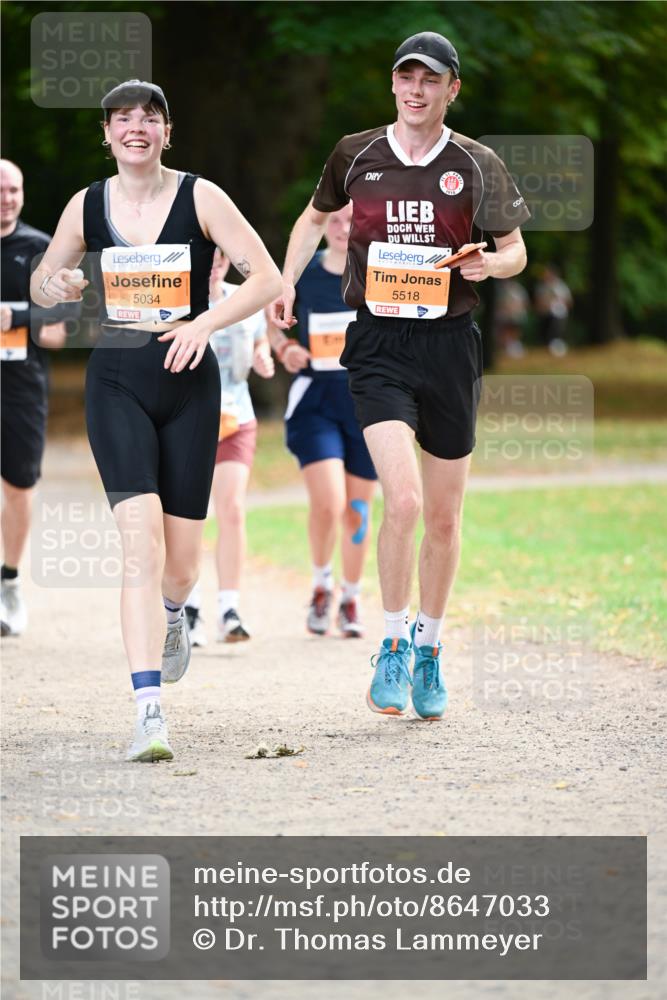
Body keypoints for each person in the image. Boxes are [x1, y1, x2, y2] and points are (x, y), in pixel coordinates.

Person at [270, 33, 530, 720]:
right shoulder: (355, 153)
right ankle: (389, 643)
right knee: (405, 502)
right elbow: (312, 219)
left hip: (450, 347)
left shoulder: (477, 163)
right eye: (406, 77)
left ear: (452, 89)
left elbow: (515, 251)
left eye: (430, 79)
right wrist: (285, 281)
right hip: (379, 343)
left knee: (443, 516)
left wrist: (489, 264)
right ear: (392, 83)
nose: (416, 90)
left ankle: (428, 649)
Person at [31, 80, 281, 762]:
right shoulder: (86, 205)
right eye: (122, 118)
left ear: (167, 132)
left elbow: (268, 279)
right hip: (117, 379)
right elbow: (42, 283)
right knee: (139, 544)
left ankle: (174, 614)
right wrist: (59, 283)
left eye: (149, 117)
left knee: (181, 565)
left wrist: (205, 324)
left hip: (190, 381)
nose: (135, 127)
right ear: (107, 134)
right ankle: (148, 712)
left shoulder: (202, 198)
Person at [267, 204, 377, 638]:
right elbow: (268, 318)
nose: (342, 228)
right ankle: (321, 585)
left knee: (357, 510)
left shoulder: (376, 273)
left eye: (352, 220)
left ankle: (351, 597)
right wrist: (284, 348)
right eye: (334, 219)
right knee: (330, 503)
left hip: (368, 406)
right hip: (316, 403)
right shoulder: (301, 275)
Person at [184, 247, 274, 646]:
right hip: (188, 421)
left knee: (232, 509)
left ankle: (229, 608)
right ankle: (188, 607)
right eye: (208, 258)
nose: (214, 266)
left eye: (221, 259)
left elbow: (260, 341)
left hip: (236, 416)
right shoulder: (178, 299)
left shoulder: (246, 298)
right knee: (189, 516)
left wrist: (262, 357)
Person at [1, 159, 69, 637]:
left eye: (13, 190)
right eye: (0, 190)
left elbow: (60, 331)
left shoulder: (40, 250)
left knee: (19, 486)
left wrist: (19, 317)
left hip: (21, 386)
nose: (6, 199)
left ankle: (9, 581)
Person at [534, 264, 572, 356]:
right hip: (545, 313)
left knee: (558, 319)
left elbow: (568, 301)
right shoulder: (541, 287)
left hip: (559, 313)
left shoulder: (561, 286)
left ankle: (556, 341)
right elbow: (538, 303)